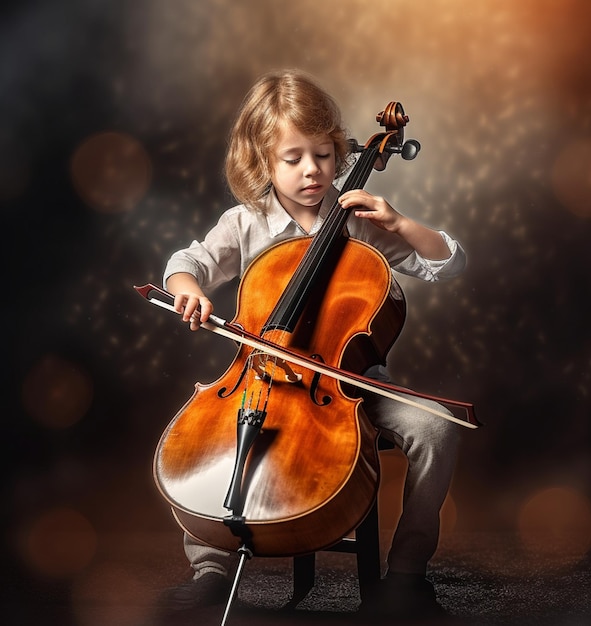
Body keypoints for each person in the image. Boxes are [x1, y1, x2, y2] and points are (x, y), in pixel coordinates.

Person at [161, 69, 466, 619]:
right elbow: (189, 264)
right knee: (217, 431)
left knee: (438, 428)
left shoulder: (361, 224)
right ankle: (210, 568)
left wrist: (398, 222)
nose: (312, 170)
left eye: (324, 155)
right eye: (293, 158)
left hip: (352, 385)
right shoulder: (244, 223)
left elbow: (447, 263)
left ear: (341, 151)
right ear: (261, 162)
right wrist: (187, 292)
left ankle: (407, 575)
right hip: (260, 378)